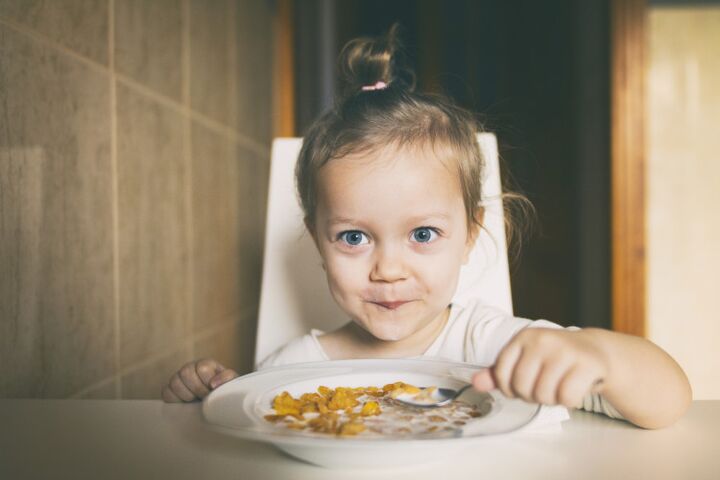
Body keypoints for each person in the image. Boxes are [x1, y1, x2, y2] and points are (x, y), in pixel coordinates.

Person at [161, 26, 691, 429]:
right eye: (353, 237)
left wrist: (598, 356)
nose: (388, 270)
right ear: (318, 242)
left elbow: (669, 401)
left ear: (470, 235)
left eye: (422, 235)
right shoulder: (296, 368)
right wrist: (207, 399)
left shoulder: (496, 346)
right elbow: (240, 440)